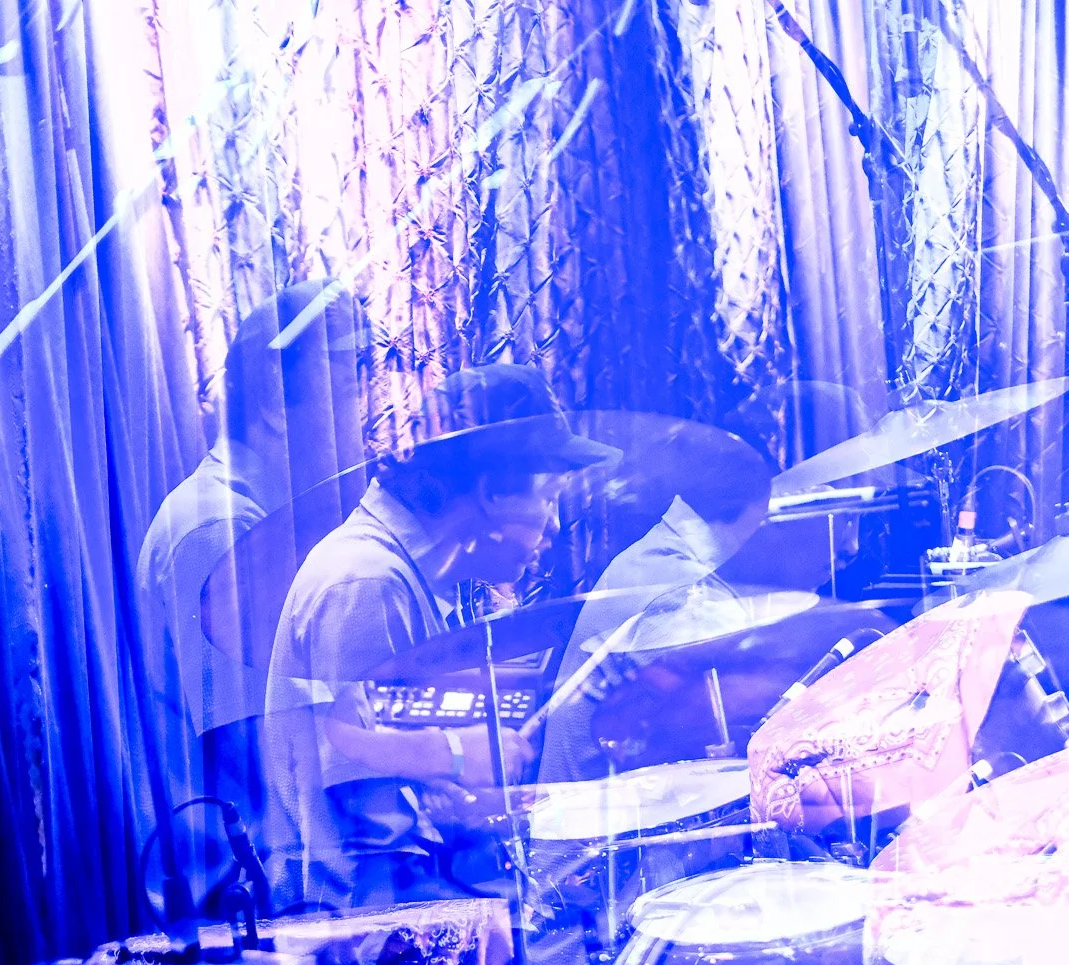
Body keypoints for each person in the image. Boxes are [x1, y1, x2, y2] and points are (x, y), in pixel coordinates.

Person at [263, 363, 615, 908]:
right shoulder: (368, 583)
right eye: (547, 498)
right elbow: (366, 812)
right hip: (365, 939)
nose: (552, 525)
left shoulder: (415, 574)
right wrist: (456, 756)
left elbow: (409, 779)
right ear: (494, 491)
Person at [135, 282, 366, 903]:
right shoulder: (219, 530)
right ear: (274, 407)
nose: (364, 410)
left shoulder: (253, 521)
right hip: (250, 893)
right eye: (350, 383)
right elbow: (263, 748)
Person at [536, 439, 774, 785]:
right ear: (750, 507)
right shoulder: (679, 587)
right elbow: (704, 729)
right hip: (598, 832)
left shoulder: (655, 558)